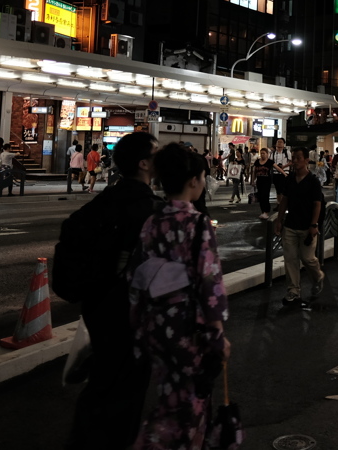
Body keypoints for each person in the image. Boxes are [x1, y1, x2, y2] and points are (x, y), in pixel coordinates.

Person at [126, 143, 228, 450]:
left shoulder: (152, 221)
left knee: (169, 392)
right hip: (188, 327)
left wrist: (138, 321)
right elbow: (210, 281)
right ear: (193, 181)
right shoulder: (197, 224)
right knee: (192, 402)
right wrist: (218, 332)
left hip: (156, 323)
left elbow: (137, 275)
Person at [65, 132, 161, 450]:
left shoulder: (104, 201)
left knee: (102, 385)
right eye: (156, 154)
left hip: (97, 308)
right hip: (133, 314)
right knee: (127, 395)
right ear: (144, 163)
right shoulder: (149, 209)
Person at [274, 146, 327, 305]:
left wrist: (314, 224)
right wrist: (279, 220)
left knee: (308, 258)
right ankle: (293, 291)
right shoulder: (290, 179)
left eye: (298, 158)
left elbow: (317, 204)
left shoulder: (313, 181)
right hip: (290, 225)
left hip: (307, 226)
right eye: (293, 158)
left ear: (306, 160)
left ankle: (318, 276)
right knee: (290, 259)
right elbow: (284, 200)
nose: (295, 161)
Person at [253, 147, 274, 219]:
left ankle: (266, 212)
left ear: (267, 154)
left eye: (264, 153)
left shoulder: (270, 162)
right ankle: (263, 212)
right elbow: (254, 171)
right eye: (261, 153)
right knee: (260, 196)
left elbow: (277, 168)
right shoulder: (257, 161)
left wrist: (284, 173)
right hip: (259, 181)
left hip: (267, 181)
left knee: (265, 196)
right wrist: (252, 180)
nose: (262, 155)